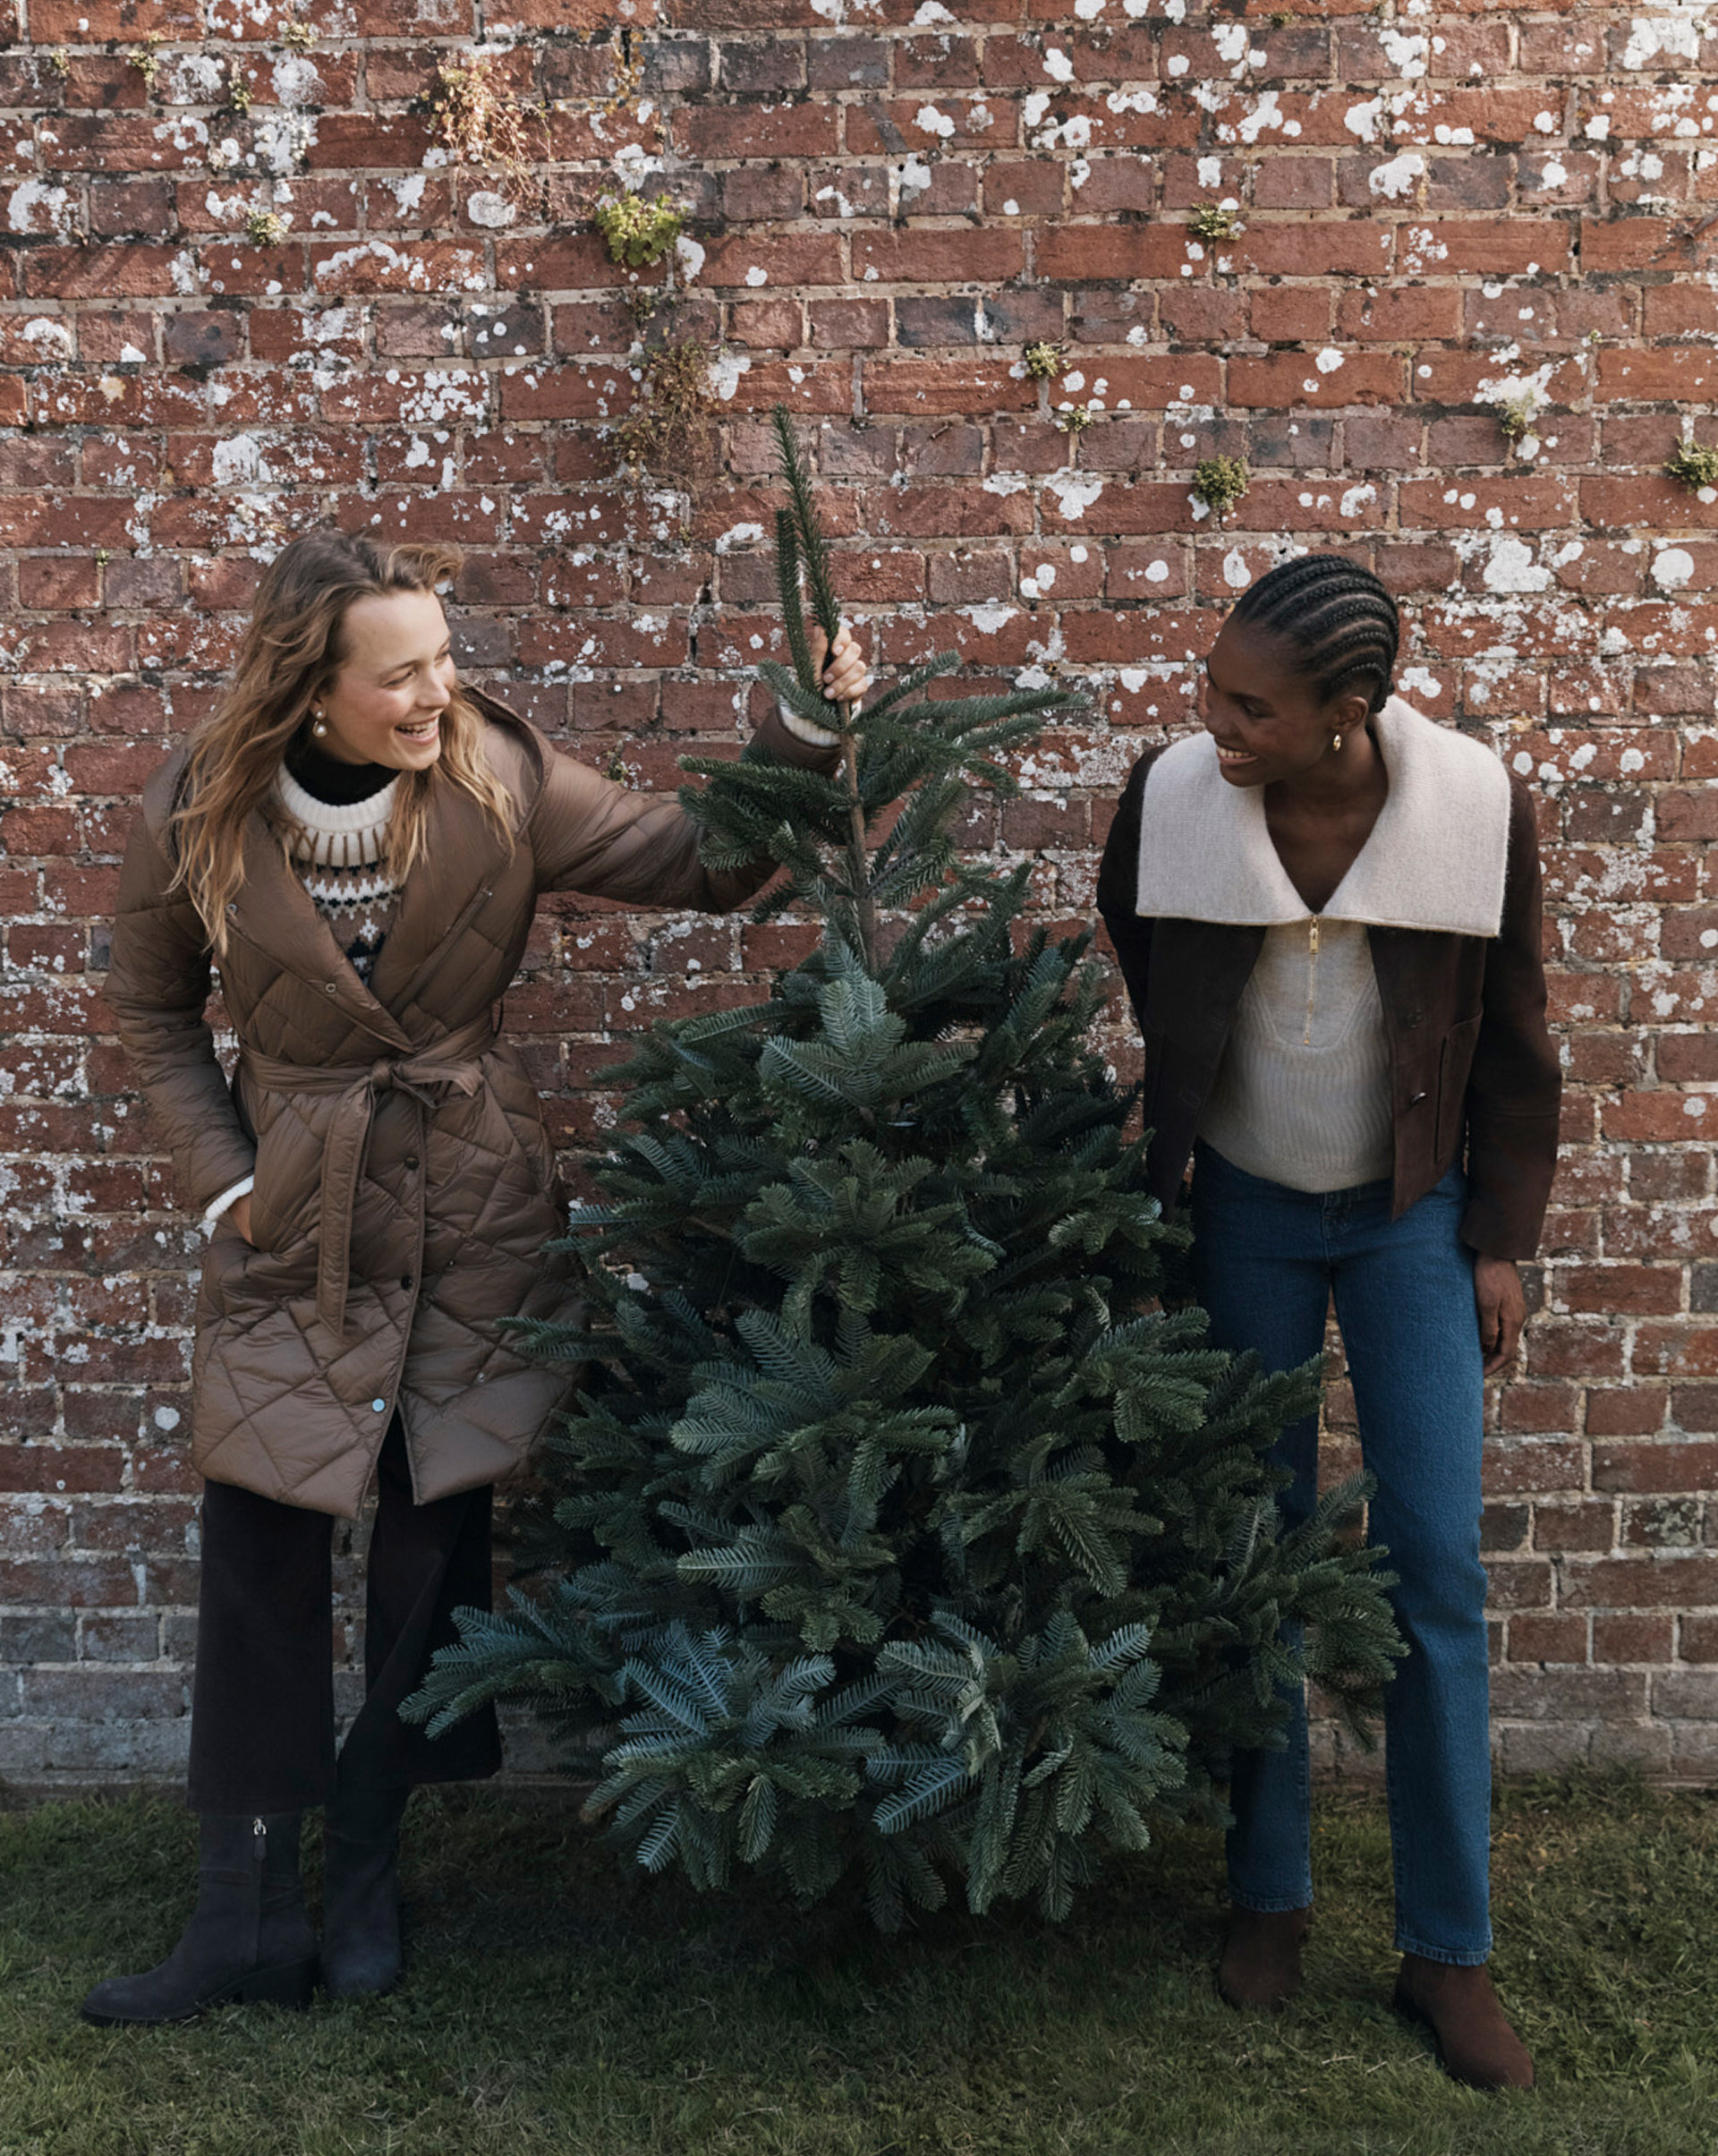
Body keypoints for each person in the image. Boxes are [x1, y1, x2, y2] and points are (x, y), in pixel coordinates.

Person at [88, 530, 868, 2024]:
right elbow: (148, 1005)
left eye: (445, 659)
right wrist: (230, 1184)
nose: (441, 690)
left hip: (472, 1203)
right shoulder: (200, 804)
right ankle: (241, 1912)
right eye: (404, 674)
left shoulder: (500, 778)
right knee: (254, 1538)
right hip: (296, 1220)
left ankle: (368, 1868)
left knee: (427, 1547)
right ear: (312, 690)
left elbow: (707, 858)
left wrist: (803, 720)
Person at [1095, 554, 1561, 2092]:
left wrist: (1496, 1238)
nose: (1211, 717)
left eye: (1252, 704)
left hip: (1412, 1214)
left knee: (1435, 1565)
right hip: (1242, 1208)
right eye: (1213, 685)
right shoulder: (1170, 799)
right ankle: (1269, 1892)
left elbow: (1516, 1033)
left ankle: (1450, 1948)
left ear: (1346, 715)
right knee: (1260, 1551)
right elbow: (1141, 940)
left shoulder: (1473, 812)